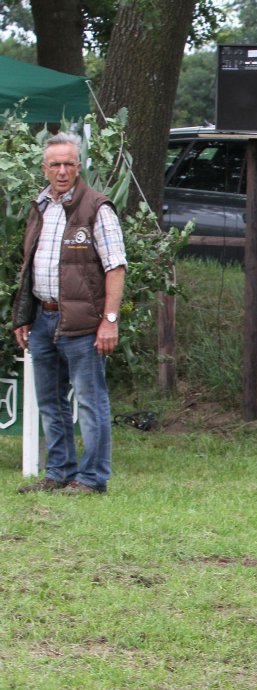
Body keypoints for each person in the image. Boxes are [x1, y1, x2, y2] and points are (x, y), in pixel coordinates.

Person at [11, 132, 126, 495]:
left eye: (69, 164)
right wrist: (24, 316)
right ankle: (59, 472)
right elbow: (30, 266)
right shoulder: (40, 206)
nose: (62, 171)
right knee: (50, 401)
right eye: (55, 164)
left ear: (79, 167)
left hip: (84, 324)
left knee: (91, 403)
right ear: (44, 168)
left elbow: (116, 267)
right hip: (43, 319)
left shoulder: (97, 207)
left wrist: (109, 321)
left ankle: (92, 479)